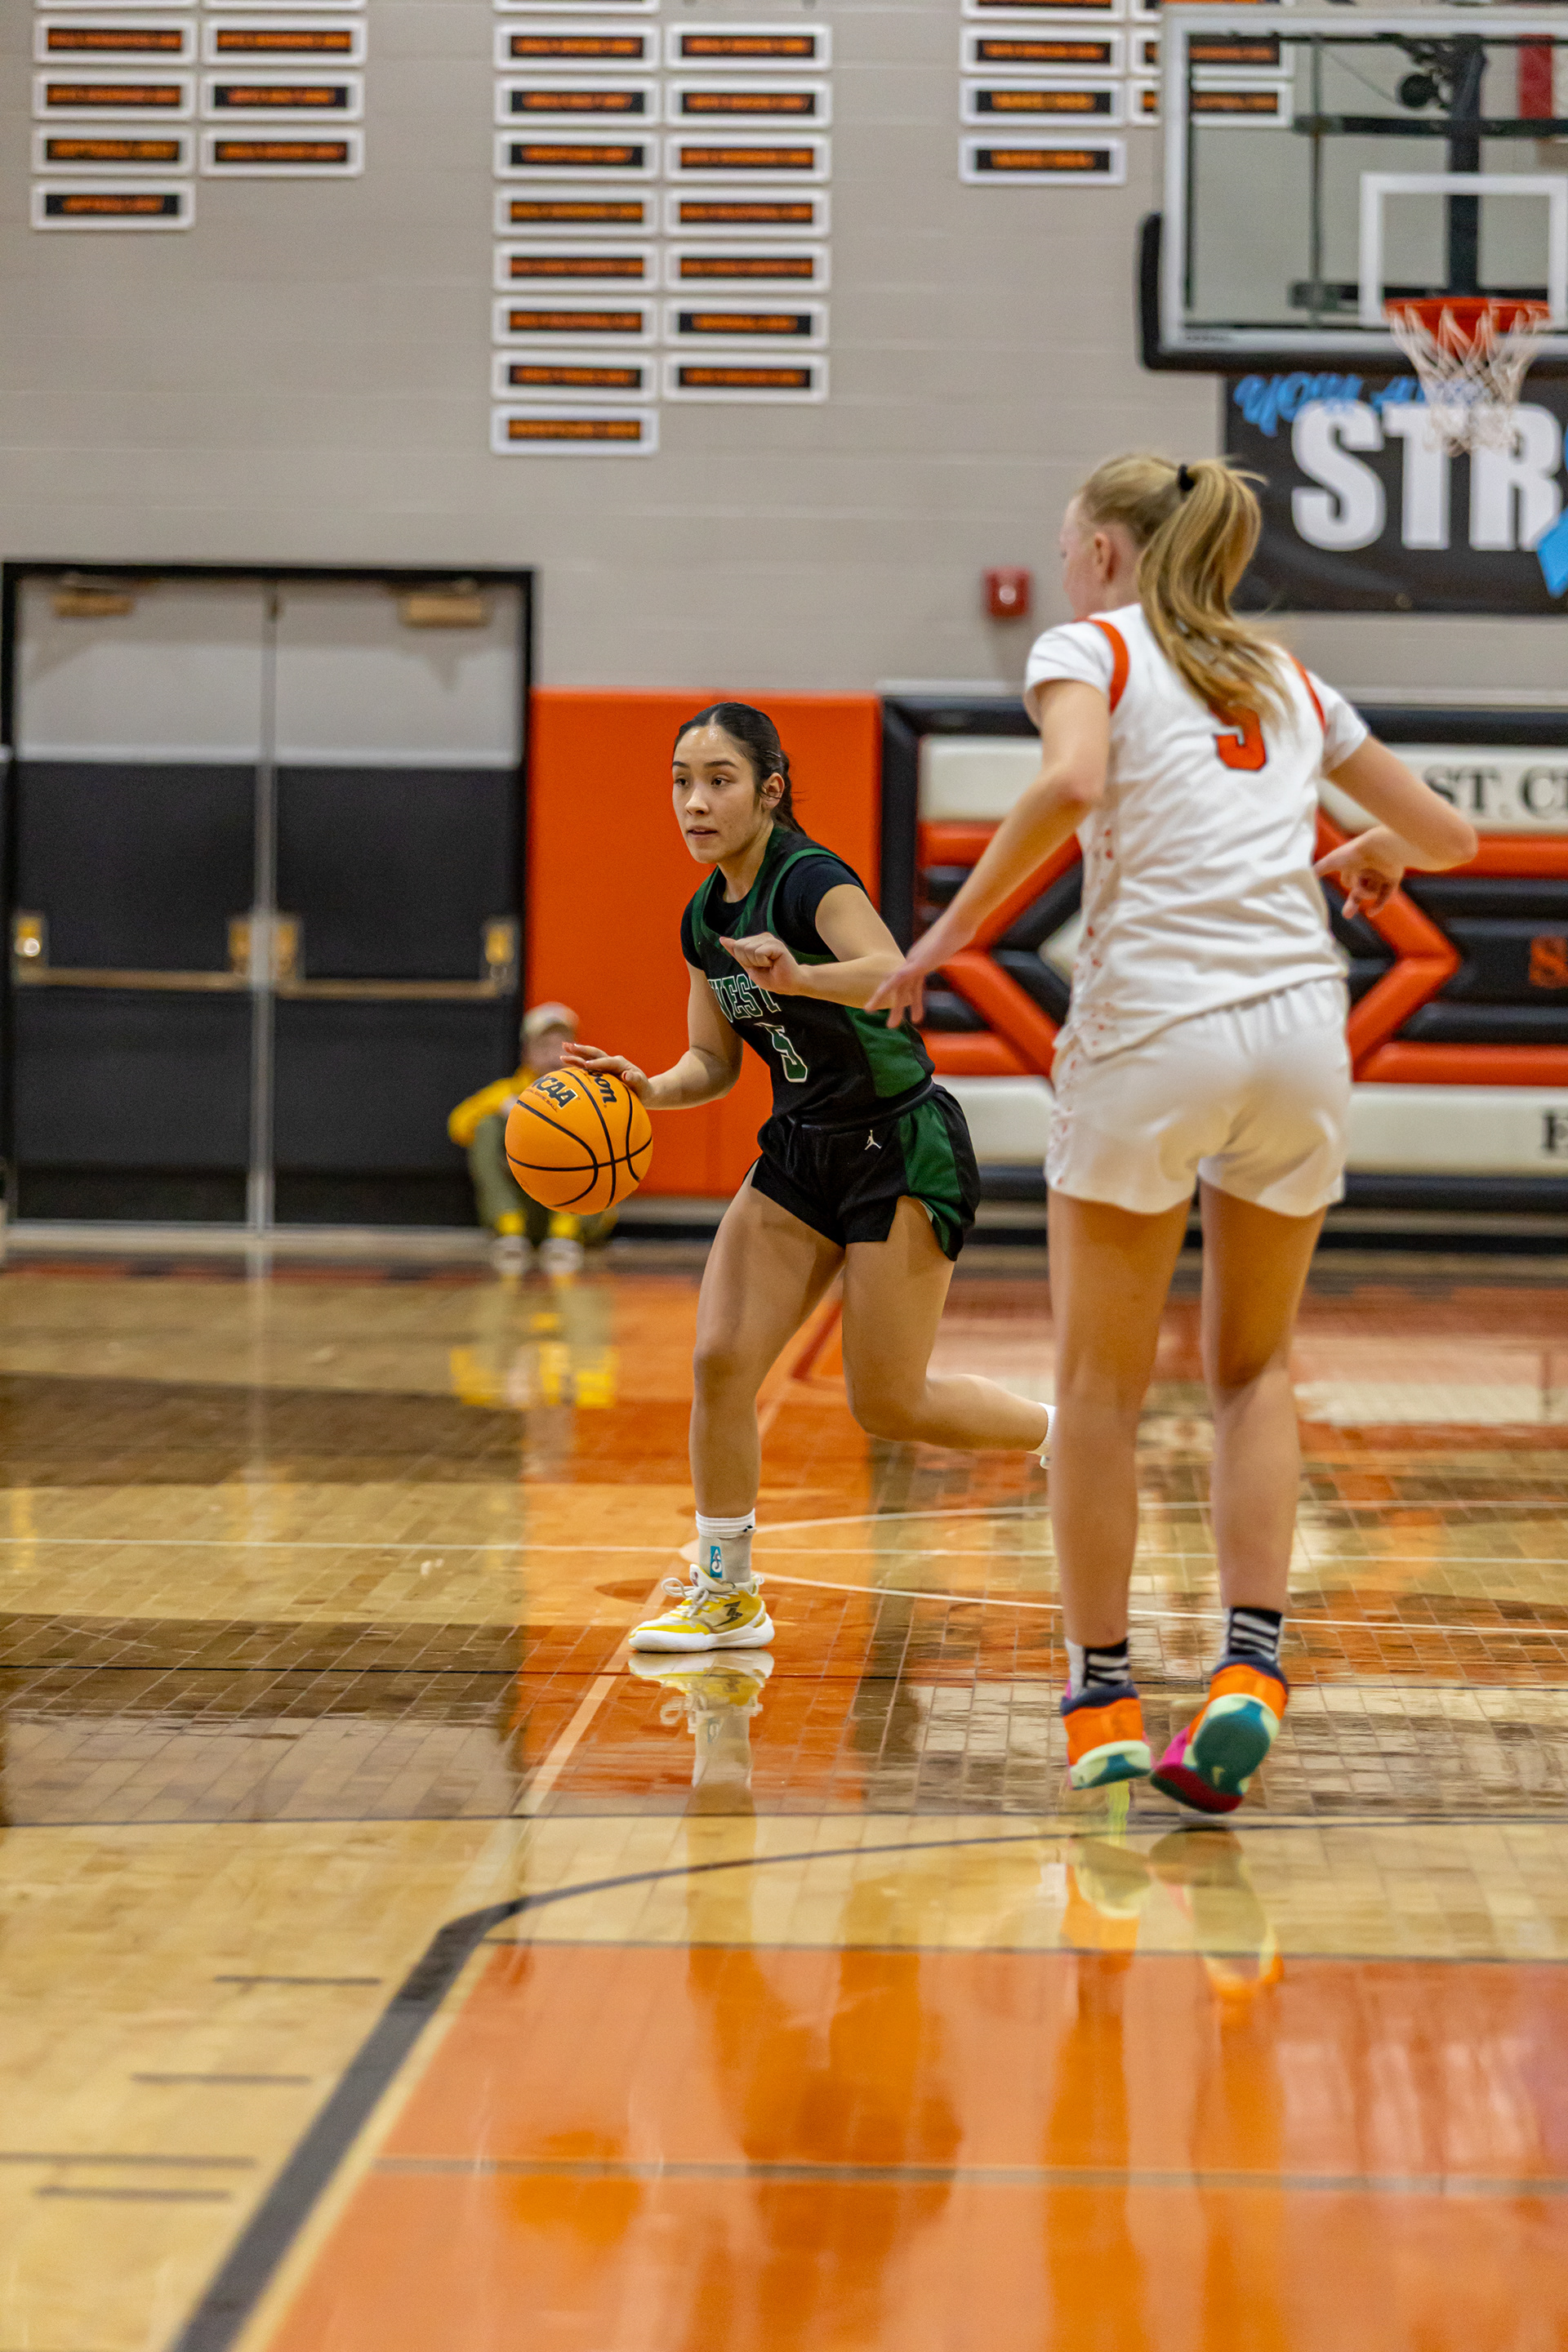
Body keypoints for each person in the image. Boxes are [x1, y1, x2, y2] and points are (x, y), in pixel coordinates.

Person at [870, 455, 1477, 1811]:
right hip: (1299, 1032)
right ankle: (1250, 1672)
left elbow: (1072, 781)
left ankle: (1101, 1700)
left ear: (1102, 551)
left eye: (1066, 541)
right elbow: (1447, 838)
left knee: (1098, 1388)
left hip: (1155, 1026)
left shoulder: (1089, 646)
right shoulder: (1285, 677)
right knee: (1253, 1371)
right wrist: (1368, 854)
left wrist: (944, 937)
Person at [564, 701, 1054, 1652]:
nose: (695, 803)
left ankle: (1060, 1434)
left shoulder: (809, 880)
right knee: (719, 1361)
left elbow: (890, 972)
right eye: (681, 782)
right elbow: (713, 1062)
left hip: (895, 1144)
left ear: (770, 790)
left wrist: (801, 978)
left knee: (888, 1403)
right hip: (799, 1149)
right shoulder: (704, 916)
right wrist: (649, 1088)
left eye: (719, 781)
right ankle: (726, 1595)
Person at [448, 1001, 619, 1272]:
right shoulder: (508, 1090)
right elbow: (458, 1125)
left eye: (561, 1046)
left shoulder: (592, 1090)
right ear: (527, 1051)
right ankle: (509, 1227)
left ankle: (567, 1230)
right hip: (525, 1211)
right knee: (487, 1126)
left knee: (602, 1131)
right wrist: (508, 1107)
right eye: (544, 1046)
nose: (553, 1055)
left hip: (579, 1219)